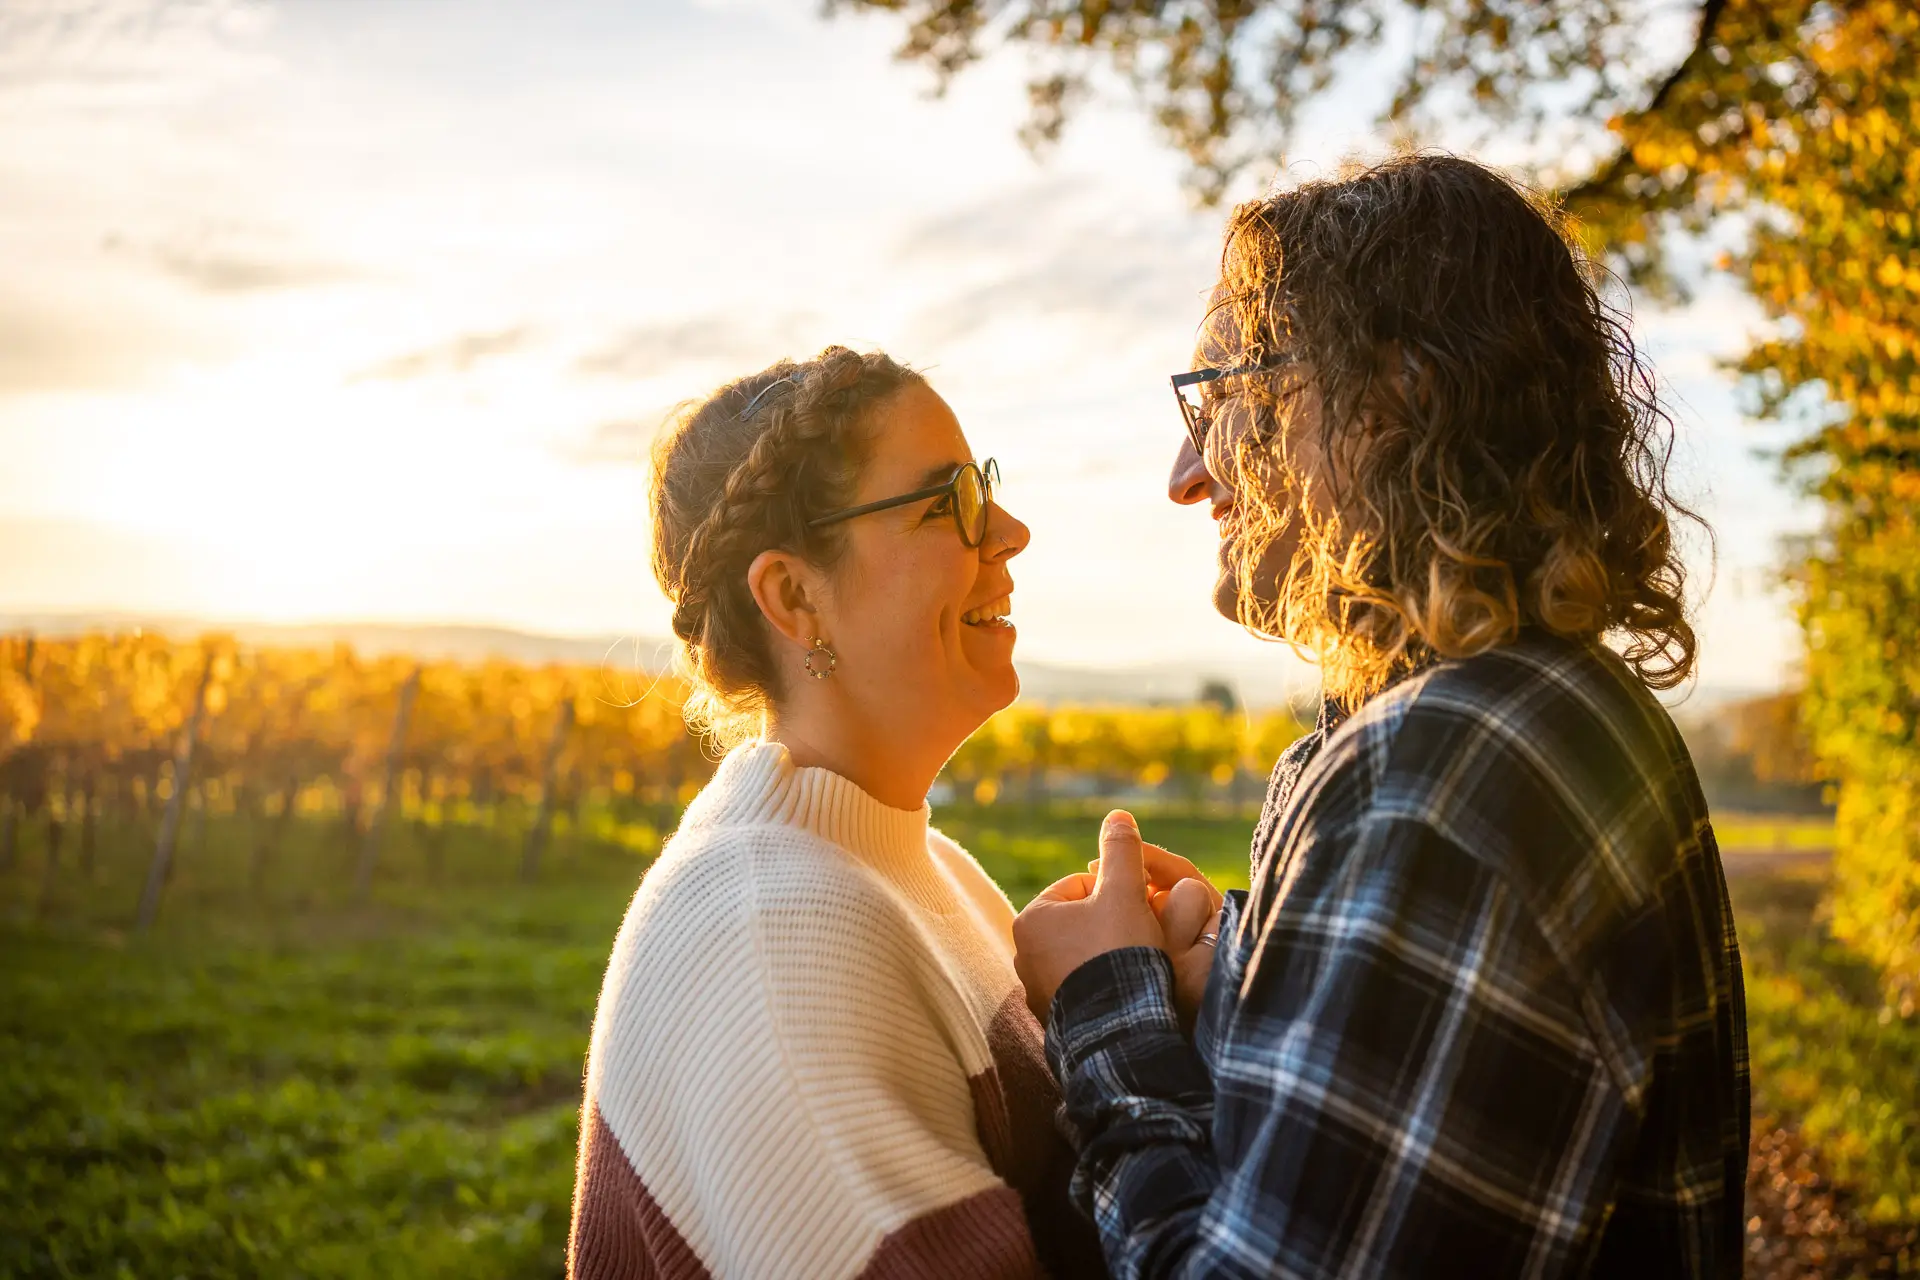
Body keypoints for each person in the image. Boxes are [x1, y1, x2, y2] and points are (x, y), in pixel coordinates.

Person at [1012, 155, 1751, 1277]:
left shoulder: (1450, 767)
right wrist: (1240, 987)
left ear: (1394, 399)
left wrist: (1105, 1011)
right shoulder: (1504, 715)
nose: (1185, 471)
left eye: (1222, 395)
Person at [569, 347, 1104, 1279]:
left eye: (986, 488)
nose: (1009, 530)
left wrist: (1151, 1005)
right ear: (794, 597)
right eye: (953, 504)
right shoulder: (769, 935)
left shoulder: (922, 871)